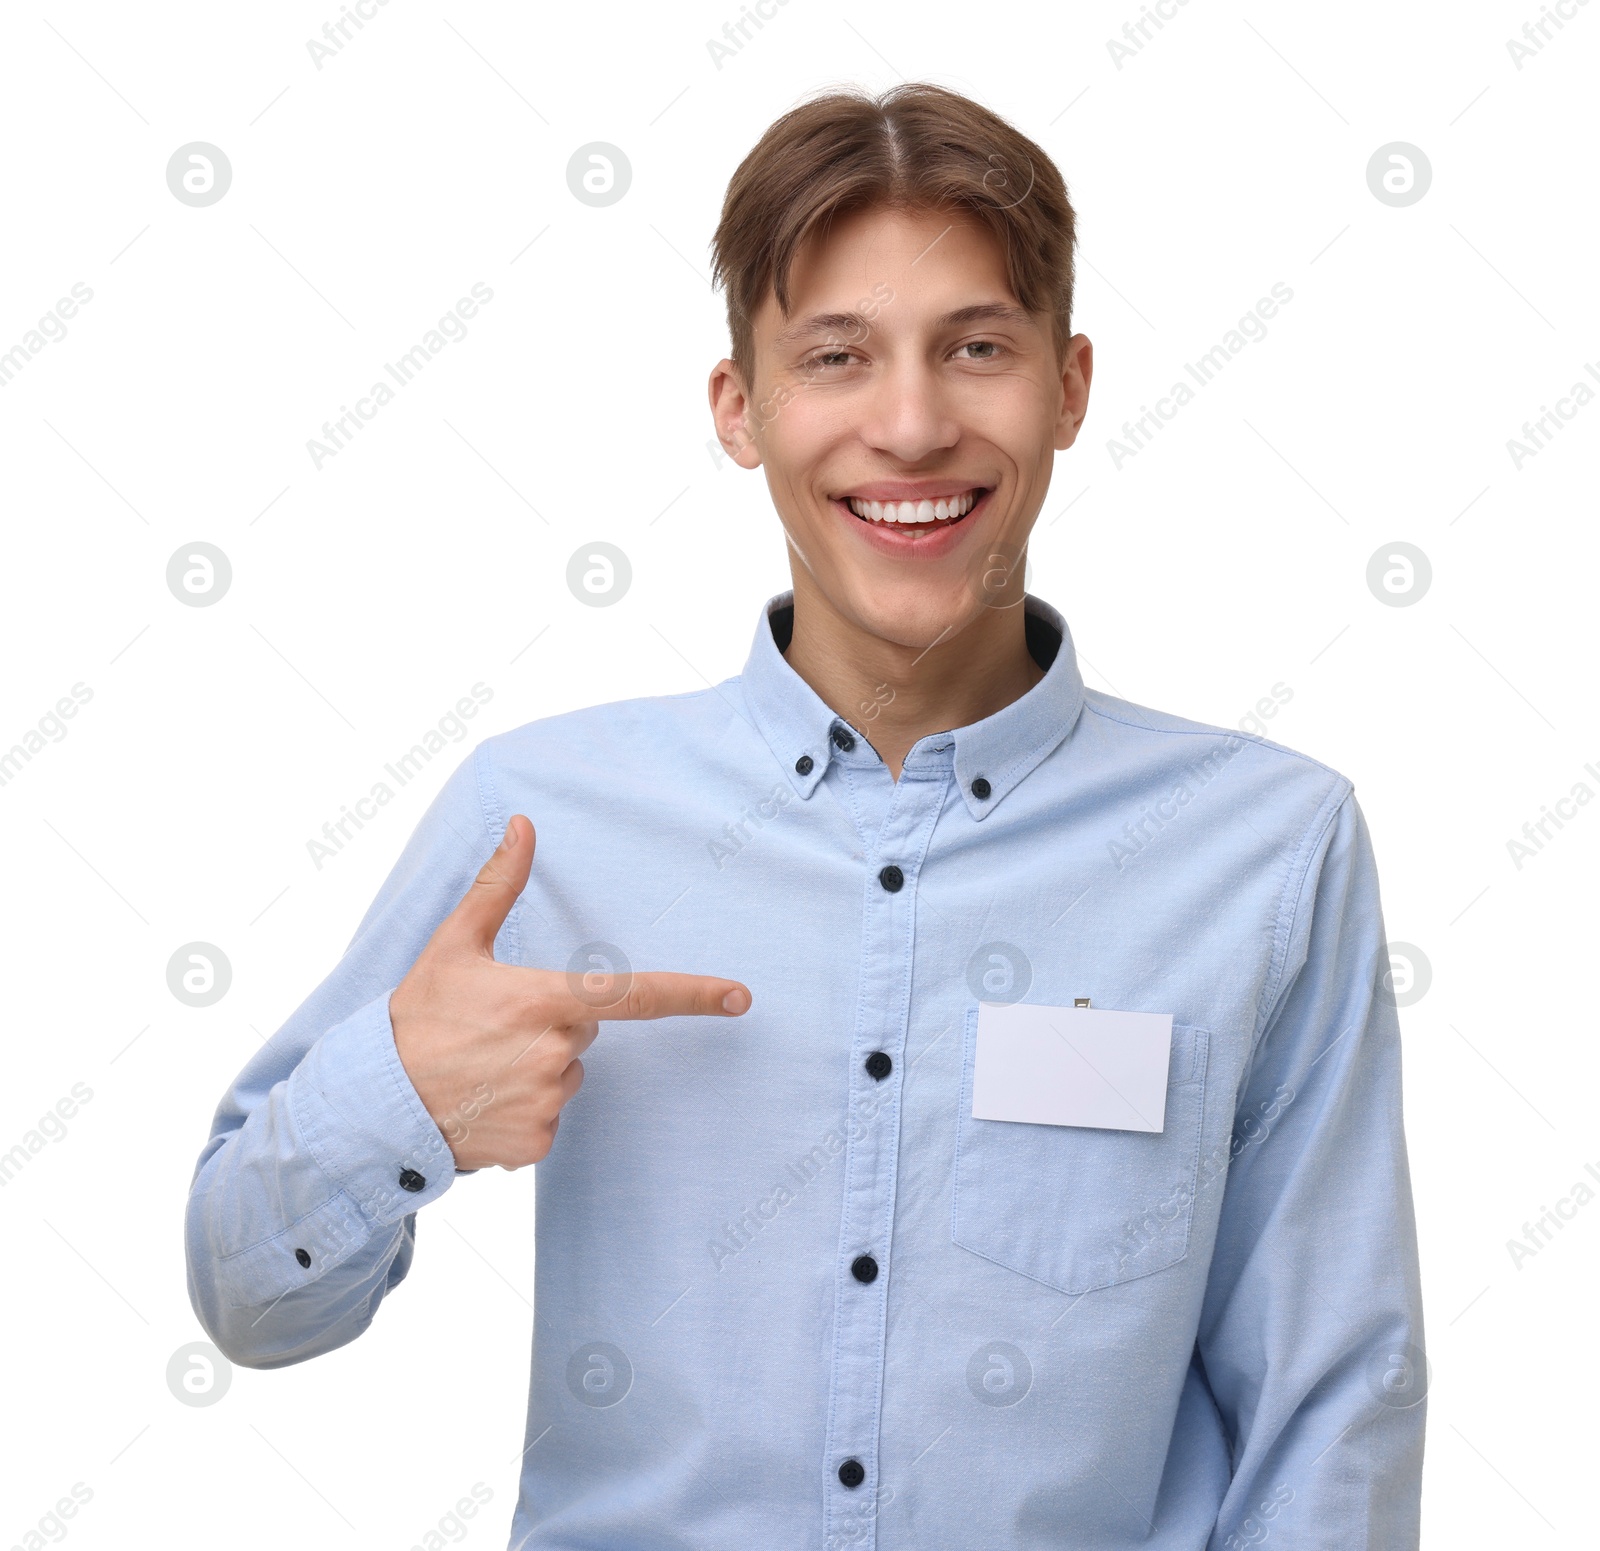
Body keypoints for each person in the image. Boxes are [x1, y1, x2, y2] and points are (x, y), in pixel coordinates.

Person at [186, 81, 1425, 1549]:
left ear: (1072, 386)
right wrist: (399, 1093)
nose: (910, 425)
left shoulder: (1267, 852)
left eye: (976, 348)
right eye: (836, 357)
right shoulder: (543, 821)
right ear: (742, 408)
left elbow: (1330, 1408)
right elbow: (249, 1303)